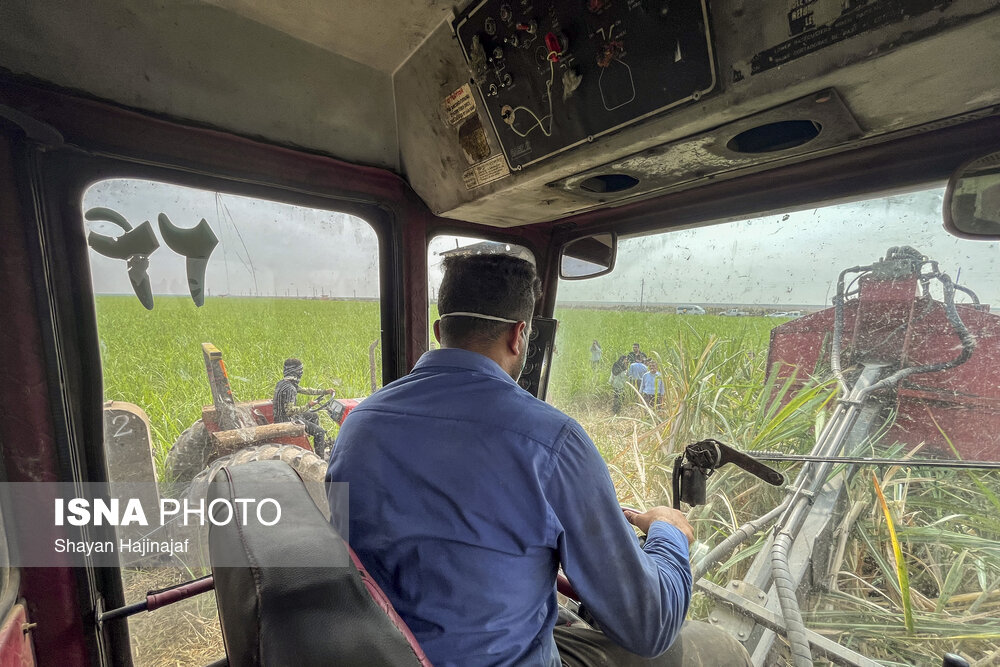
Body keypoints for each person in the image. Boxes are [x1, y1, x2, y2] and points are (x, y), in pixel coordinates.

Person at [328, 254, 750, 666]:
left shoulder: (358, 427)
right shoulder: (553, 443)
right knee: (698, 649)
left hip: (381, 652)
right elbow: (650, 625)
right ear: (519, 336)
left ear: (440, 330)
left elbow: (353, 556)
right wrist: (668, 532)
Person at [272, 357, 333, 458]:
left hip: (281, 417)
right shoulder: (290, 389)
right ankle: (320, 458)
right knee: (320, 432)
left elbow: (305, 390)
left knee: (314, 416)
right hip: (287, 421)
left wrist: (324, 391)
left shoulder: (283, 383)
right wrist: (308, 405)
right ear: (297, 372)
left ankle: (312, 443)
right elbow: (289, 411)